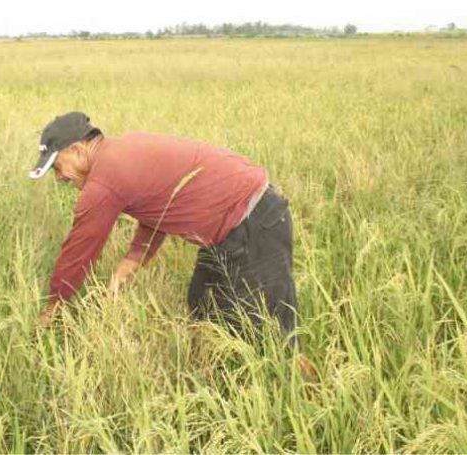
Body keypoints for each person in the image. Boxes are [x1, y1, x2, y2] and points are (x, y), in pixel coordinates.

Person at [29, 111, 299, 348]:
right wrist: (128, 265)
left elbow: (78, 253)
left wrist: (53, 307)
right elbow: (158, 206)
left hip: (254, 222)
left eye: (57, 166)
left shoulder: (103, 182)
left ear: (77, 150)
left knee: (272, 334)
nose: (60, 177)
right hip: (234, 225)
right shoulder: (124, 151)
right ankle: (211, 377)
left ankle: (304, 391)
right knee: (203, 304)